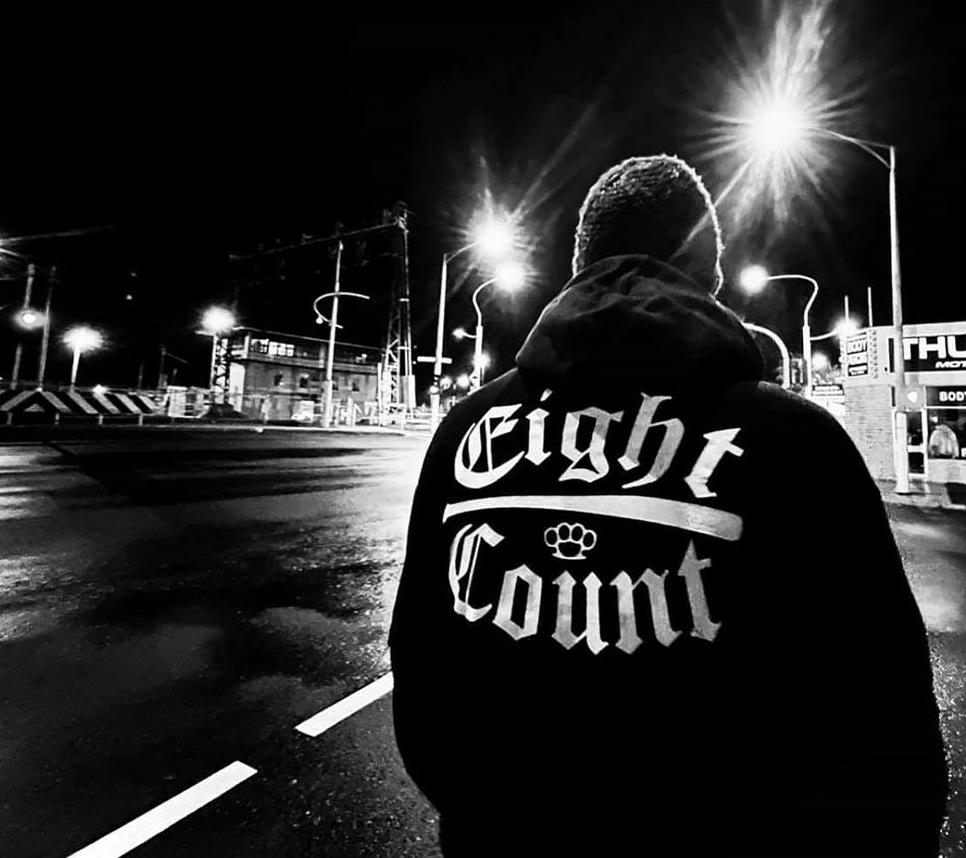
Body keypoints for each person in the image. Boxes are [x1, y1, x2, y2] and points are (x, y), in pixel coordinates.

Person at [389, 154, 947, 857]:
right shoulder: (799, 439)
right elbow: (885, 712)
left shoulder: (463, 429)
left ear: (580, 263)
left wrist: (485, 814)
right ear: (707, 272)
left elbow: (421, 664)